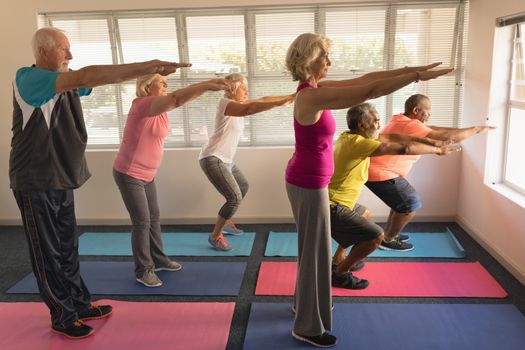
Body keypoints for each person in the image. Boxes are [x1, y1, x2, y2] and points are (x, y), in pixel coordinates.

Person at [9, 27, 189, 339]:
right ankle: (62, 316)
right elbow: (86, 77)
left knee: (67, 245)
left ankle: (78, 303)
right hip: (34, 179)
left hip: (61, 176)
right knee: (47, 251)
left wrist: (151, 70)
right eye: (64, 49)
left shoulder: (65, 81)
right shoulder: (29, 79)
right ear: (42, 52)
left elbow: (99, 78)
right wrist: (150, 67)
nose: (70, 56)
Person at [284, 32, 452, 348]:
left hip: (312, 182)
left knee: (314, 251)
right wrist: (416, 77)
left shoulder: (317, 90)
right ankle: (306, 326)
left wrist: (412, 70)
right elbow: (370, 90)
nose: (329, 63)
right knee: (315, 254)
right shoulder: (309, 96)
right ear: (309, 59)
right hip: (307, 183)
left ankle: (303, 306)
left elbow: (369, 78)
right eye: (325, 57)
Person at [113, 74, 235, 287]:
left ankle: (158, 259)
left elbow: (183, 98)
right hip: (129, 173)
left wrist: (208, 87)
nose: (166, 85)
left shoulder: (160, 109)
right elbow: (178, 98)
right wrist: (207, 85)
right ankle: (143, 270)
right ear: (147, 85)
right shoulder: (142, 104)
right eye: (161, 82)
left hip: (147, 174)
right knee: (142, 222)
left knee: (154, 217)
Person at [329, 103, 461, 290]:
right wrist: (438, 151)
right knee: (376, 236)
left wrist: (433, 142)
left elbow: (394, 136)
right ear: (361, 125)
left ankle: (338, 259)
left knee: (365, 214)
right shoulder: (360, 144)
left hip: (334, 201)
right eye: (376, 121)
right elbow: (404, 149)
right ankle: (340, 274)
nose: (379, 125)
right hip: (332, 206)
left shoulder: (348, 137)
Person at [366, 94, 495, 252]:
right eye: (428, 111)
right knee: (410, 203)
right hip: (381, 172)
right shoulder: (411, 125)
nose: (430, 114)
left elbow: (437, 130)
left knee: (400, 203)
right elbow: (448, 137)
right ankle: (388, 240)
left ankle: (388, 235)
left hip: (381, 170)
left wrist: (466, 129)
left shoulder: (400, 119)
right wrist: (476, 130)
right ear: (416, 110)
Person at [199, 73, 294, 251]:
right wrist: (279, 103)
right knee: (234, 198)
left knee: (243, 187)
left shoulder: (239, 104)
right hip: (213, 157)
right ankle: (215, 235)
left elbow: (263, 99)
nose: (246, 91)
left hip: (226, 160)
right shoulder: (225, 104)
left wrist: (290, 97)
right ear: (232, 89)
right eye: (243, 87)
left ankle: (225, 222)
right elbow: (249, 110)